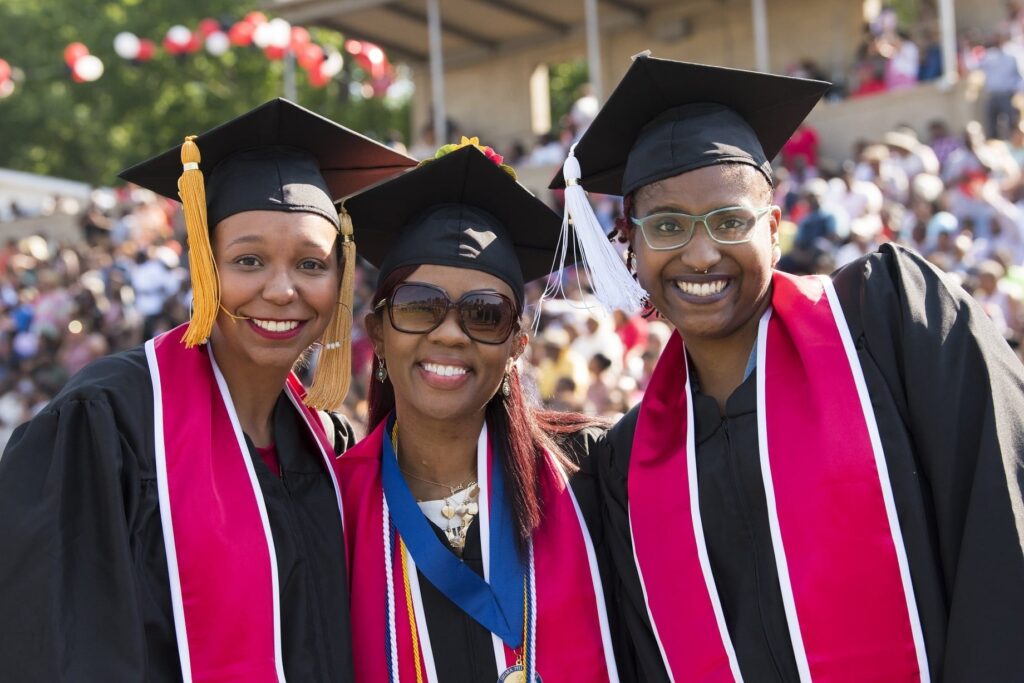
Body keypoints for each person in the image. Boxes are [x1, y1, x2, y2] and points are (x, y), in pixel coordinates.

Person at [554, 55, 1024, 681]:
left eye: (729, 221)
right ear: (631, 250)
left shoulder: (891, 325)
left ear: (774, 230)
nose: (700, 253)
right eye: (666, 226)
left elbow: (1003, 534)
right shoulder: (627, 467)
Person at [0, 99, 415, 681]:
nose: (281, 290)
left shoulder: (330, 442)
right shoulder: (113, 419)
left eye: (311, 264)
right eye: (248, 260)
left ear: (341, 280)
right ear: (204, 266)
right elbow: (53, 643)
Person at [335, 140, 624, 682]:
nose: (449, 333)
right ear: (376, 332)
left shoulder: (591, 472)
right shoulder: (334, 508)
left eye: (485, 314)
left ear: (516, 343)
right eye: (419, 306)